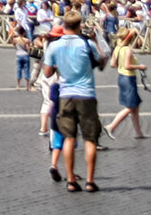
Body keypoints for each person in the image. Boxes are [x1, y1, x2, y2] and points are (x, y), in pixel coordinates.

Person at [43, 16, 107, 191]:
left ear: (64, 25)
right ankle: (90, 181)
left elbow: (47, 73)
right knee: (90, 139)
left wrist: (60, 66)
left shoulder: (54, 46)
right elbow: (101, 61)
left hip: (65, 95)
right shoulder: (86, 44)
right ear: (79, 26)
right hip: (86, 94)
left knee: (69, 138)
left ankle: (71, 180)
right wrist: (95, 41)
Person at [105, 27, 145, 139]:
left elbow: (112, 64)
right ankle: (111, 126)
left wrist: (120, 66)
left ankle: (139, 133)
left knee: (135, 107)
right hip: (128, 78)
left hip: (121, 77)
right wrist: (139, 66)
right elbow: (128, 66)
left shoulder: (117, 48)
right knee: (130, 107)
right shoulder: (127, 49)